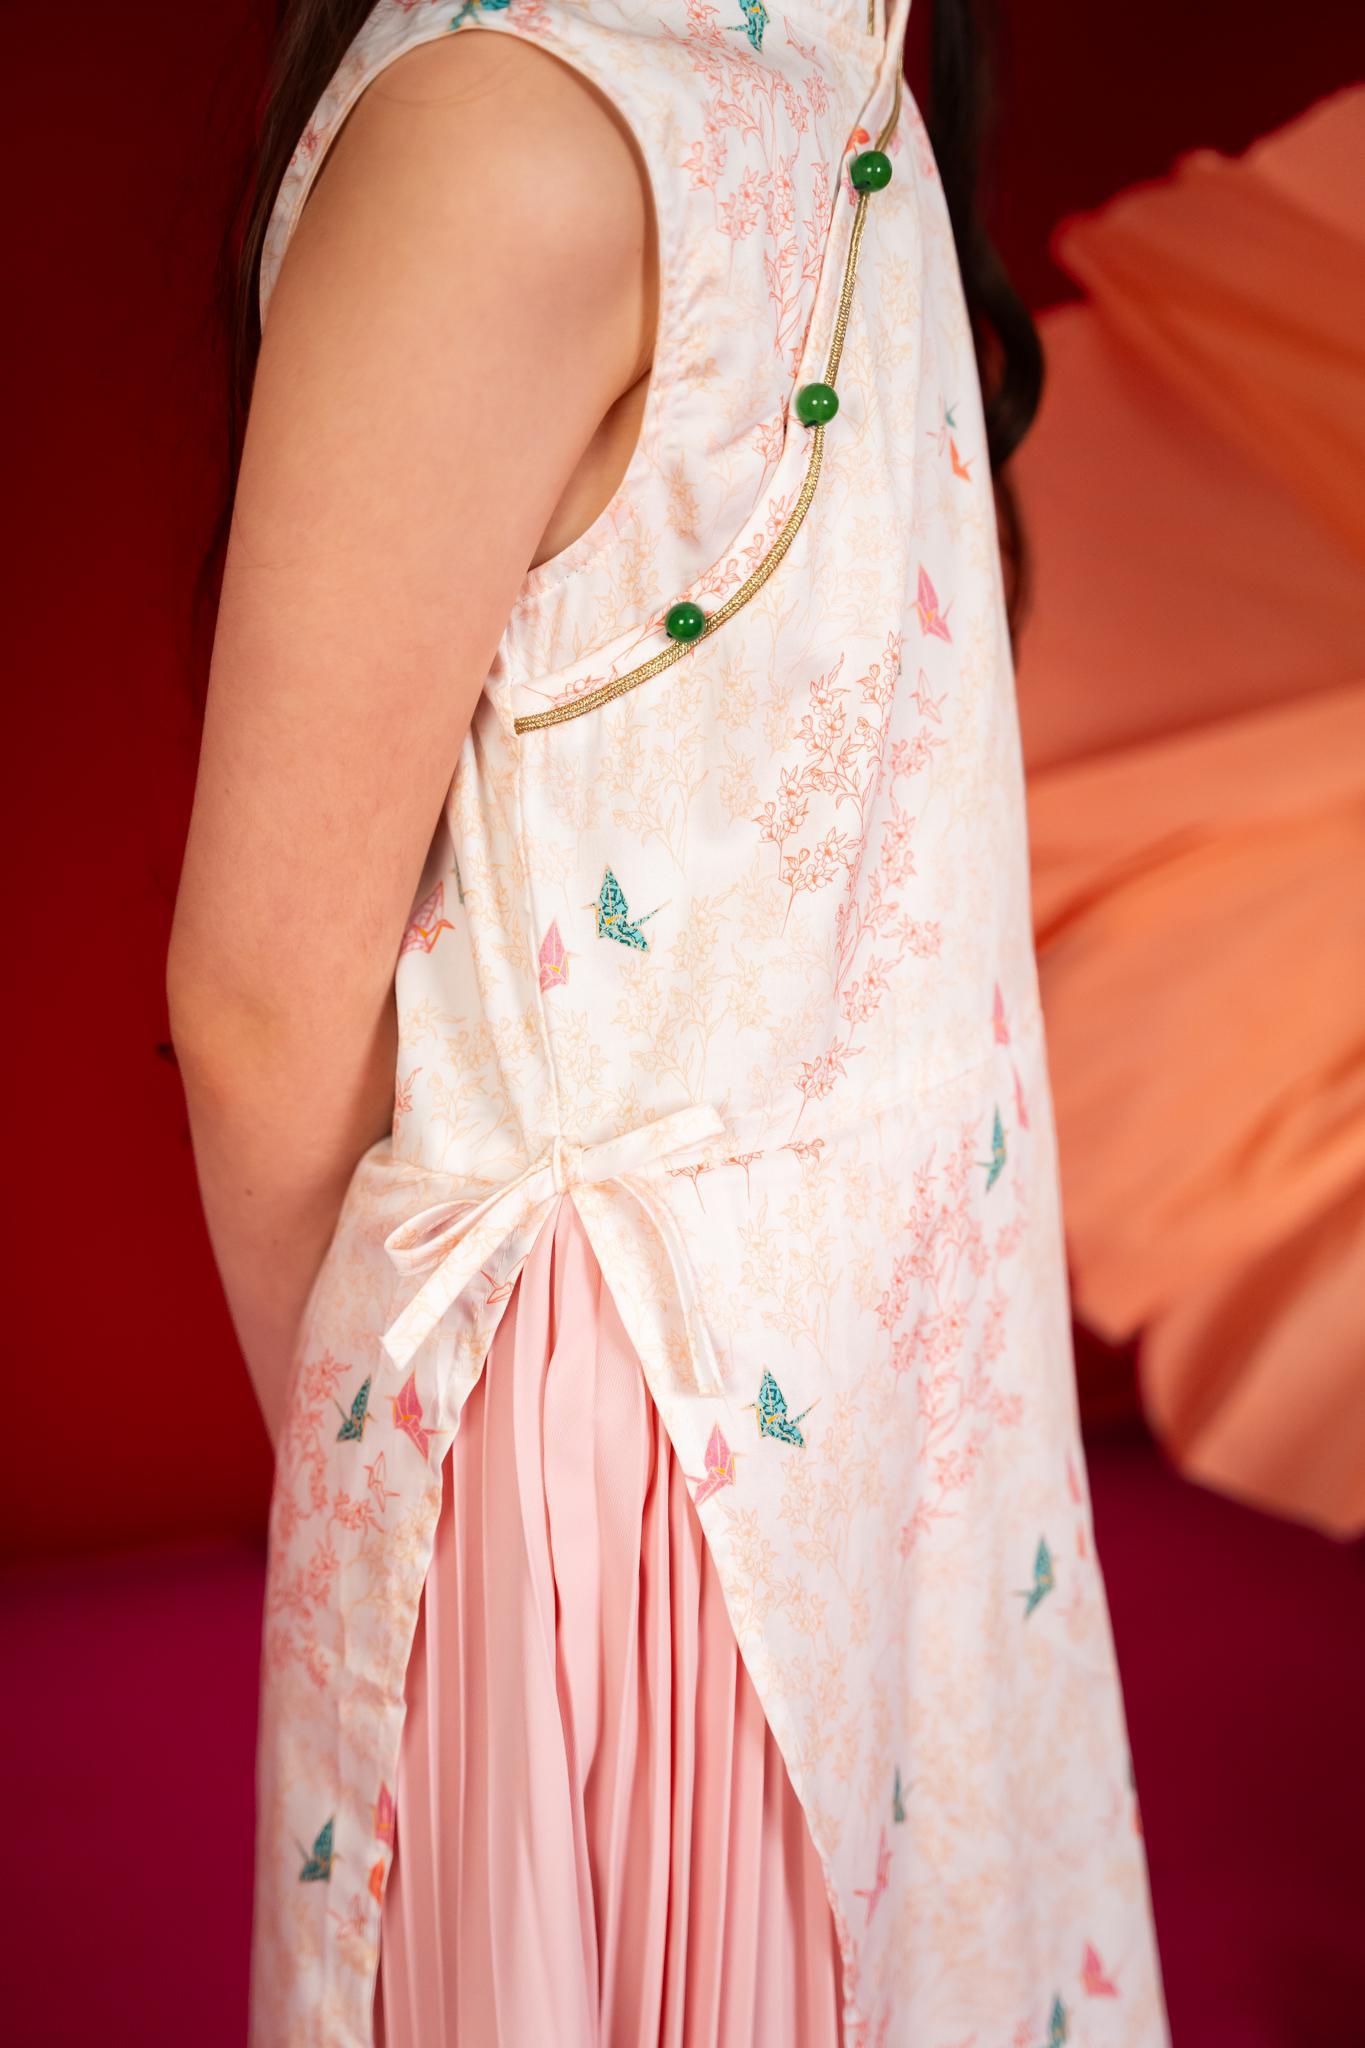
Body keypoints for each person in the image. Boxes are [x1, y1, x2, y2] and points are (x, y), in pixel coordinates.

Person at [167, 1, 1170, 2042]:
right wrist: (445, 1510)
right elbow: (263, 1003)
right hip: (644, 1470)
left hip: (895, 1403)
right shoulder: (514, 139)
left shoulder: (833, 63)